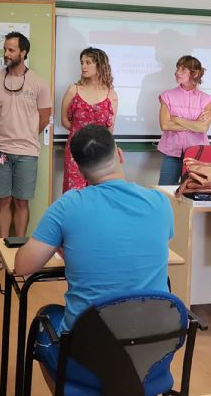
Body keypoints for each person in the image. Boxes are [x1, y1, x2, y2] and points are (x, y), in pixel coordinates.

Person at [15, 124, 172, 386]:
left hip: (90, 355)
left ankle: (76, 391)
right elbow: (145, 246)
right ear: (120, 154)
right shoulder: (159, 202)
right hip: (154, 351)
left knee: (46, 318)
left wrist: (67, 245)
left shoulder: (67, 206)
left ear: (78, 168)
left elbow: (23, 266)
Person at [0, 31, 52, 271]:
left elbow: (44, 118)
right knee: (3, 201)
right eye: (5, 49)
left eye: (11, 50)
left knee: (21, 202)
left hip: (28, 152)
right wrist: (5, 135)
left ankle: (19, 250)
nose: (6, 53)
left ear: (23, 53)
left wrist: (24, 134)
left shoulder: (39, 83)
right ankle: (1, 251)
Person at [61, 47, 118, 192]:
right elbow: (64, 121)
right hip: (76, 150)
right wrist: (82, 135)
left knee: (99, 192)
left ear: (100, 65)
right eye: (82, 62)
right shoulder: (73, 90)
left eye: (88, 62)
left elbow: (110, 129)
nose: (83, 66)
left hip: (101, 152)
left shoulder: (111, 95)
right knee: (75, 192)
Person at [157, 55, 211, 185]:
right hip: (171, 154)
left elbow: (203, 128)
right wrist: (194, 124)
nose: (177, 73)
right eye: (177, 68)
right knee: (165, 192)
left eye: (183, 69)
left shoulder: (206, 99)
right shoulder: (167, 96)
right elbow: (165, 125)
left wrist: (176, 119)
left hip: (197, 154)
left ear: (195, 73)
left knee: (193, 193)